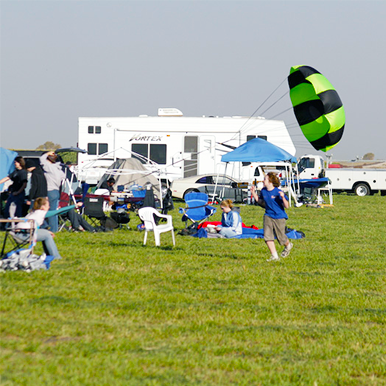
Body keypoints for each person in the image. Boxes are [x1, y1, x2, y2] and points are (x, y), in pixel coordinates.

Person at [251, 172, 293, 262]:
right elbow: (261, 202)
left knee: (280, 237)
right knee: (267, 236)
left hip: (279, 216)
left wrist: (283, 197)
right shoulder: (263, 191)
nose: (263, 181)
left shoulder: (278, 192)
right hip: (268, 215)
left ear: (270, 181)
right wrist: (253, 193)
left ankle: (288, 245)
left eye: (265, 179)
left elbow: (287, 206)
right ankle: (274, 256)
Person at [39, 151, 65, 233]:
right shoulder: (59, 170)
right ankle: (54, 229)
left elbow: (41, 159)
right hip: (56, 191)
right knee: (54, 212)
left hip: (49, 191)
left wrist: (47, 153)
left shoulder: (49, 168)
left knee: (42, 210)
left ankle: (45, 226)